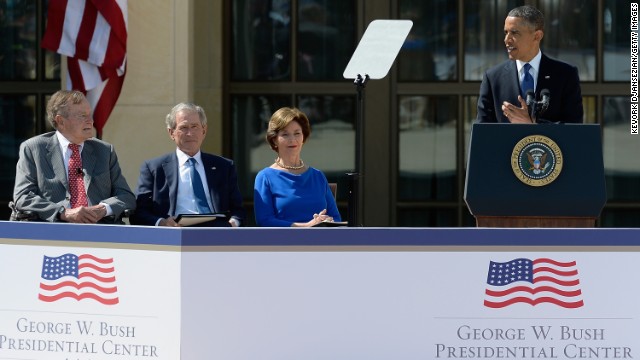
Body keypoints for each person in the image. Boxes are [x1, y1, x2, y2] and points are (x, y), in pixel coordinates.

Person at [12, 90, 135, 223]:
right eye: (82, 116)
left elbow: (126, 196)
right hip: (52, 233)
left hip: (99, 232)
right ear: (61, 121)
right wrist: (63, 212)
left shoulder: (104, 151)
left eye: (90, 115)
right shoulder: (34, 149)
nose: (90, 121)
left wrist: (104, 209)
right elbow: (23, 197)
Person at [130, 102, 245, 227]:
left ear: (204, 130)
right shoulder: (154, 168)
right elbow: (138, 213)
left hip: (217, 233)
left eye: (195, 126)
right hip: (174, 235)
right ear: (171, 132)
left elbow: (238, 210)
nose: (190, 133)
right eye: (183, 127)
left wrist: (233, 224)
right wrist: (162, 223)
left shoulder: (224, 167)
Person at [476, 5, 583, 124]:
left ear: (537, 36)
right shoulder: (493, 78)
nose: (507, 39)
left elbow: (574, 128)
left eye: (514, 33)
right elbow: (482, 132)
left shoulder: (566, 74)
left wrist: (533, 123)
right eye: (506, 32)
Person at [253, 107, 341, 227]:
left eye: (297, 133)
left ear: (303, 137)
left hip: (319, 243)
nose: (292, 139)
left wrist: (325, 221)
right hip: (283, 243)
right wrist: (305, 226)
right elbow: (264, 220)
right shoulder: (265, 177)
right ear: (274, 140)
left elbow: (336, 218)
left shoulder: (318, 176)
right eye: (285, 134)